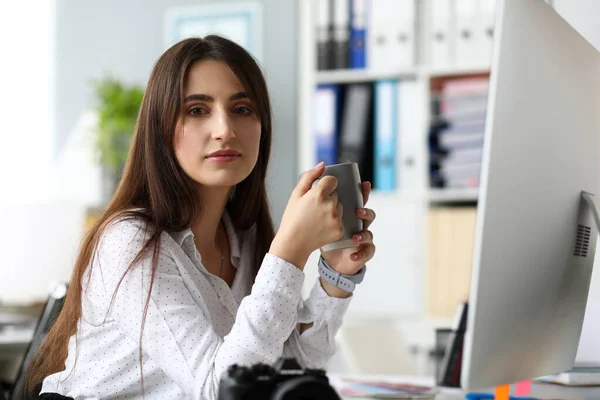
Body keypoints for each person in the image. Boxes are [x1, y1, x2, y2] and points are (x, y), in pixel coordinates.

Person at [28, 35, 377, 399]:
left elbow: (285, 372)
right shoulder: (129, 241)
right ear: (161, 128)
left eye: (242, 109)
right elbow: (220, 390)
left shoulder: (242, 238)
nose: (225, 130)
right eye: (197, 110)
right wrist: (289, 252)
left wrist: (336, 276)